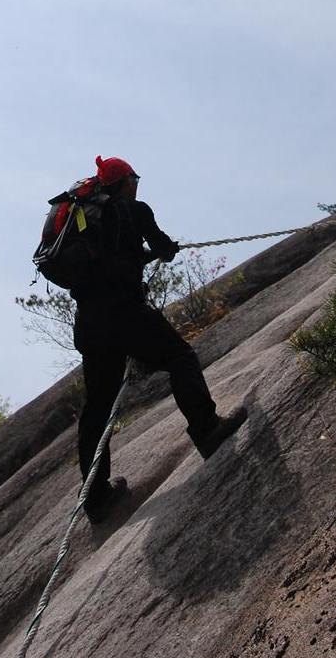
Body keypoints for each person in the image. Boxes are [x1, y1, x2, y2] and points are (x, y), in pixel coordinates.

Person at [71, 155, 247, 523]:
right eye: (134, 179)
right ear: (123, 183)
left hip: (89, 323)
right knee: (180, 358)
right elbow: (163, 247)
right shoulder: (133, 211)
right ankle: (206, 429)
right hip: (124, 313)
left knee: (97, 409)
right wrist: (164, 250)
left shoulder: (82, 220)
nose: (137, 185)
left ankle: (95, 497)